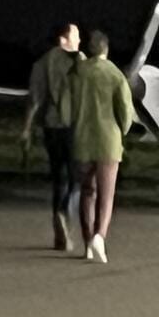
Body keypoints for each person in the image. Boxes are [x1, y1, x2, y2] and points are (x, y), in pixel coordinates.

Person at [57, 28, 136, 263]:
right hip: (108, 142)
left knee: (87, 192)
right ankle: (100, 236)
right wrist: (122, 130)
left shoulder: (76, 73)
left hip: (82, 140)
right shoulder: (115, 75)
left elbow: (65, 108)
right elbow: (126, 114)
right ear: (106, 49)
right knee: (106, 195)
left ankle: (87, 244)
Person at [21, 22, 82, 250]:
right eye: (75, 36)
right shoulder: (79, 61)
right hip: (72, 126)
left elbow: (34, 100)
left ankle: (59, 233)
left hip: (50, 127)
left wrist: (26, 129)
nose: (79, 40)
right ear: (63, 40)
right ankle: (64, 214)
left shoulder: (41, 63)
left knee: (59, 179)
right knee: (77, 179)